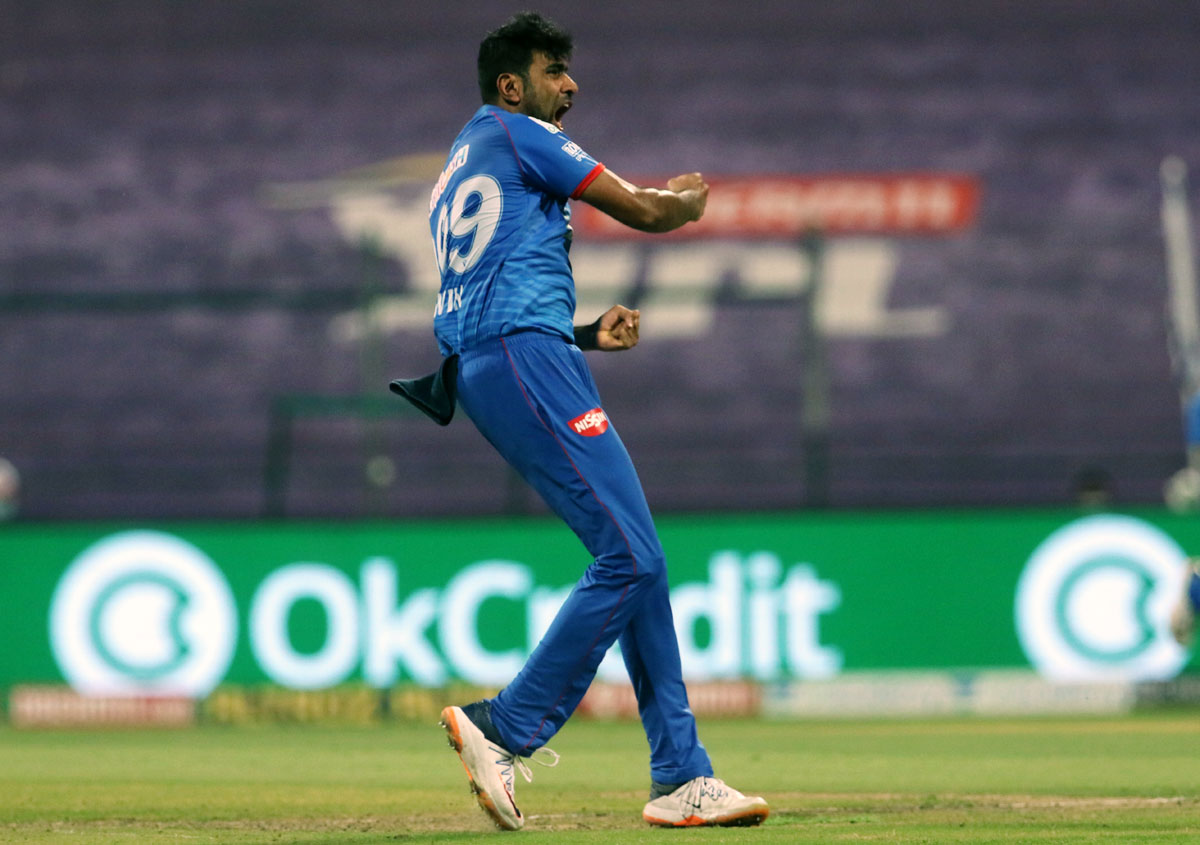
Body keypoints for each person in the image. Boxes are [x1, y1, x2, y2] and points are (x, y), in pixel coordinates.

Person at [417, 10, 768, 831]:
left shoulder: (457, 165)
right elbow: (642, 210)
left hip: (499, 361)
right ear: (512, 85)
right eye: (552, 71)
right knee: (631, 554)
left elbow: (486, 288)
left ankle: (682, 773)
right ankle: (505, 725)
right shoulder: (515, 131)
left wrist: (576, 334)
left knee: (639, 557)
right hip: (524, 361)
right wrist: (683, 203)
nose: (570, 84)